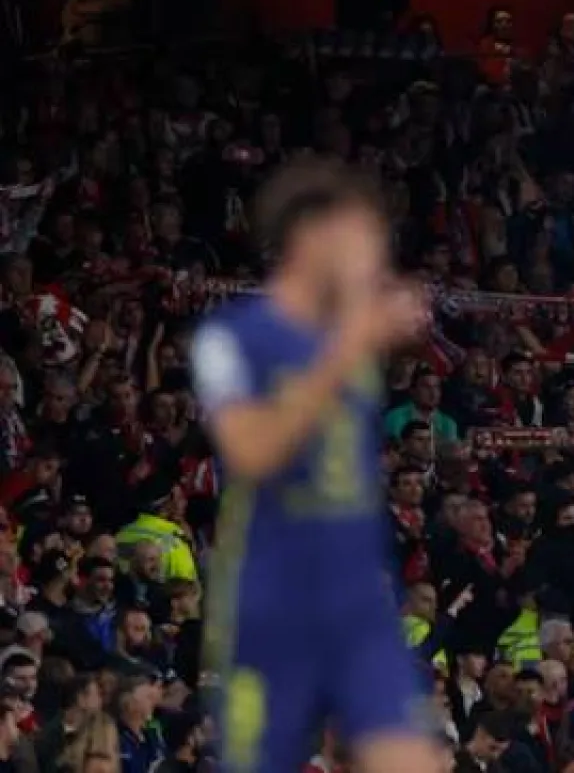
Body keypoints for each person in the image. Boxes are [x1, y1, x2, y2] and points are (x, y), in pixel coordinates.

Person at [189, 158, 439, 773]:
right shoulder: (232, 337)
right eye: (363, 241)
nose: (375, 261)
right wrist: (350, 342)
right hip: (275, 597)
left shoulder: (352, 342)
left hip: (358, 597)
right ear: (312, 236)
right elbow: (252, 452)